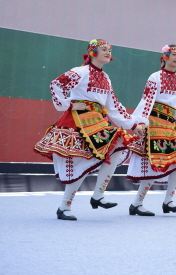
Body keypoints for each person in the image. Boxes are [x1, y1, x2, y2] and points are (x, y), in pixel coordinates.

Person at [34, 39, 143, 221]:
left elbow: (114, 106)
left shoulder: (106, 78)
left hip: (98, 122)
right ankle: (65, 207)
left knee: (117, 147)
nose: (108, 52)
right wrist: (69, 104)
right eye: (103, 49)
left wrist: (134, 124)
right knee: (81, 164)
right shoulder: (81, 71)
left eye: (109, 50)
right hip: (78, 122)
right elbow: (56, 84)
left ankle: (98, 195)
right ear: (92, 52)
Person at [127, 45, 176, 216]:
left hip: (170, 125)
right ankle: (137, 203)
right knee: (155, 163)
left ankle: (169, 201)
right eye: (173, 54)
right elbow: (147, 100)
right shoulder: (155, 77)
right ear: (165, 56)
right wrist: (141, 122)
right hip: (154, 123)